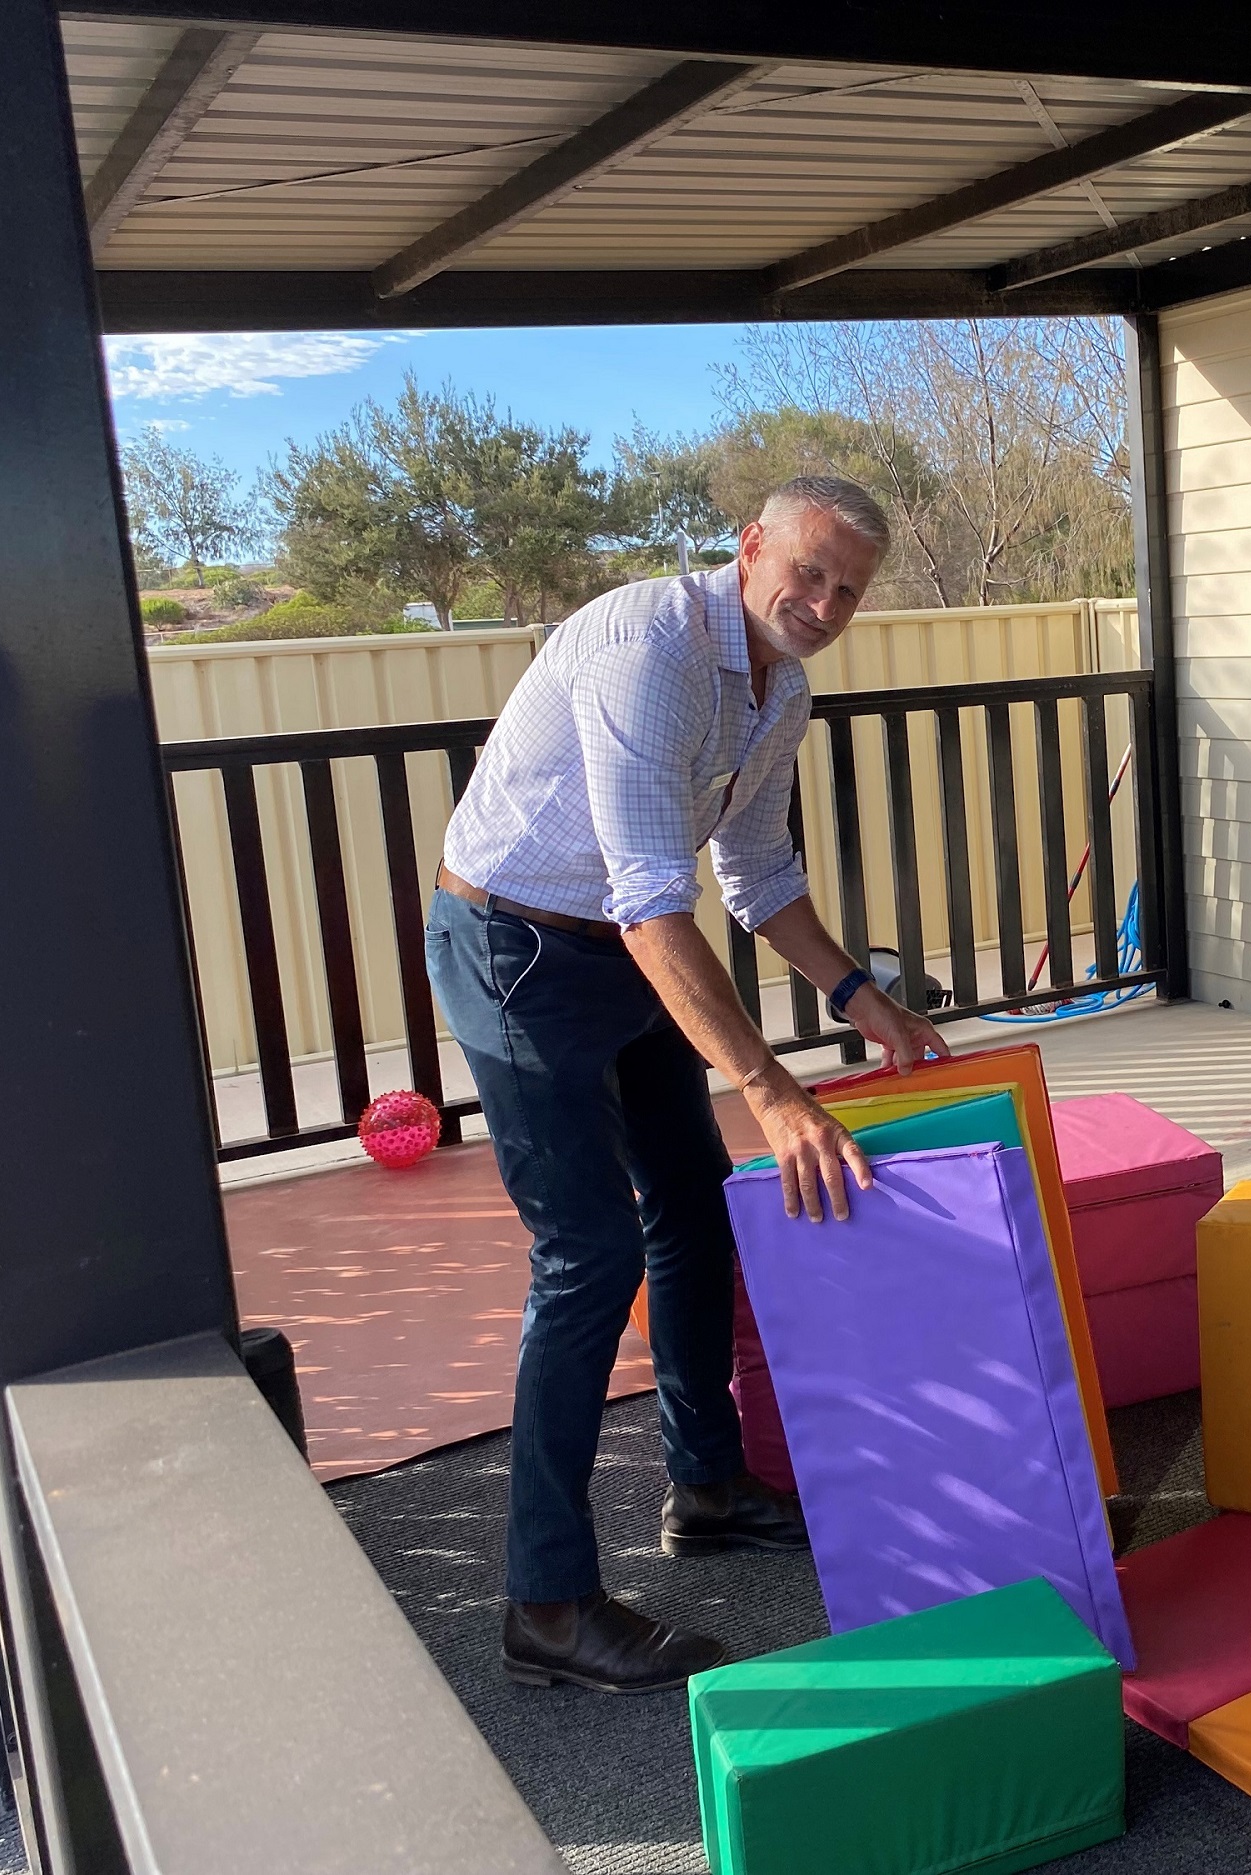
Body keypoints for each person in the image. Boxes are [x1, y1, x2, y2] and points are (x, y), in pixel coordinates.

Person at [425, 475, 949, 1694]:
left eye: (847, 591)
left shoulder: (785, 688)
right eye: (806, 572)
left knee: (694, 1206)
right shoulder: (645, 648)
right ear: (751, 545)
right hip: (517, 948)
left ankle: (704, 1488)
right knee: (587, 1255)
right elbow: (653, 894)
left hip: (622, 949)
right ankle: (547, 1605)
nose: (820, 603)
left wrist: (859, 997)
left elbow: (756, 870)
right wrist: (768, 1086)